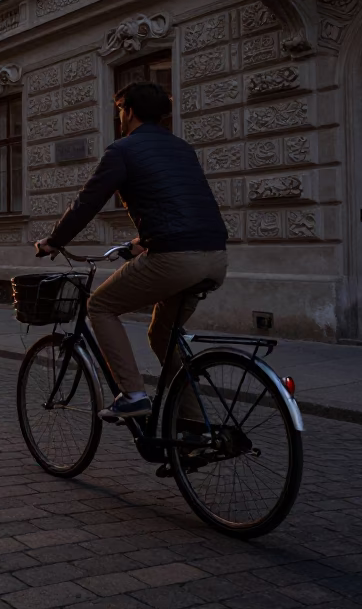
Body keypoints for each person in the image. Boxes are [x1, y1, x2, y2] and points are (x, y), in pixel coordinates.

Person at [34, 82, 228, 422]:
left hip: (175, 258)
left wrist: (55, 240)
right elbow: (180, 204)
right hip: (215, 256)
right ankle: (196, 424)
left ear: (130, 112)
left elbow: (87, 202)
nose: (119, 117)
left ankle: (133, 394)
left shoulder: (123, 150)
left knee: (100, 305)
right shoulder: (183, 149)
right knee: (162, 334)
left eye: (120, 110)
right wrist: (140, 244)